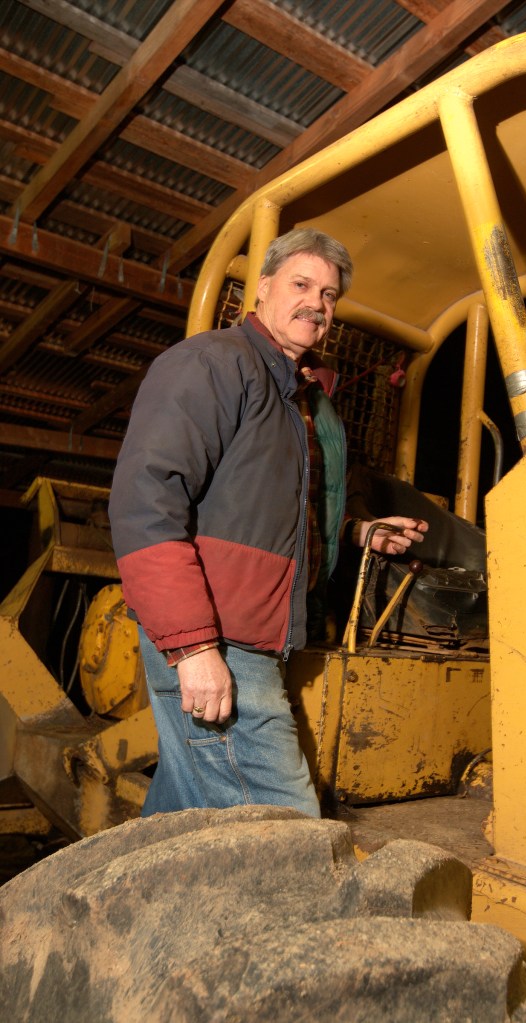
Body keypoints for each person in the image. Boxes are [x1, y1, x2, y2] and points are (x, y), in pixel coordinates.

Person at [108, 228, 428, 818]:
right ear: (262, 290)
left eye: (330, 295)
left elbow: (270, 512)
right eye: (302, 284)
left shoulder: (300, 399)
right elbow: (146, 502)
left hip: (257, 631)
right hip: (220, 635)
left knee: (186, 813)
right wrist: (194, 646)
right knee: (288, 830)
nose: (317, 303)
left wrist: (357, 532)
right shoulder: (211, 364)